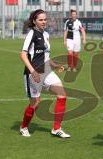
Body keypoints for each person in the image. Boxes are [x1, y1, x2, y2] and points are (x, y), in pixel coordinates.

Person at [19, 9, 70, 138]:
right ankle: (24, 126)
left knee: (62, 95)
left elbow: (46, 57)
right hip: (33, 73)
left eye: (45, 19)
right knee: (35, 103)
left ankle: (56, 128)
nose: (43, 22)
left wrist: (56, 65)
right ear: (34, 21)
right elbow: (23, 54)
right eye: (40, 20)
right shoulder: (32, 34)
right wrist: (33, 71)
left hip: (46, 71)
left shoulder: (46, 34)